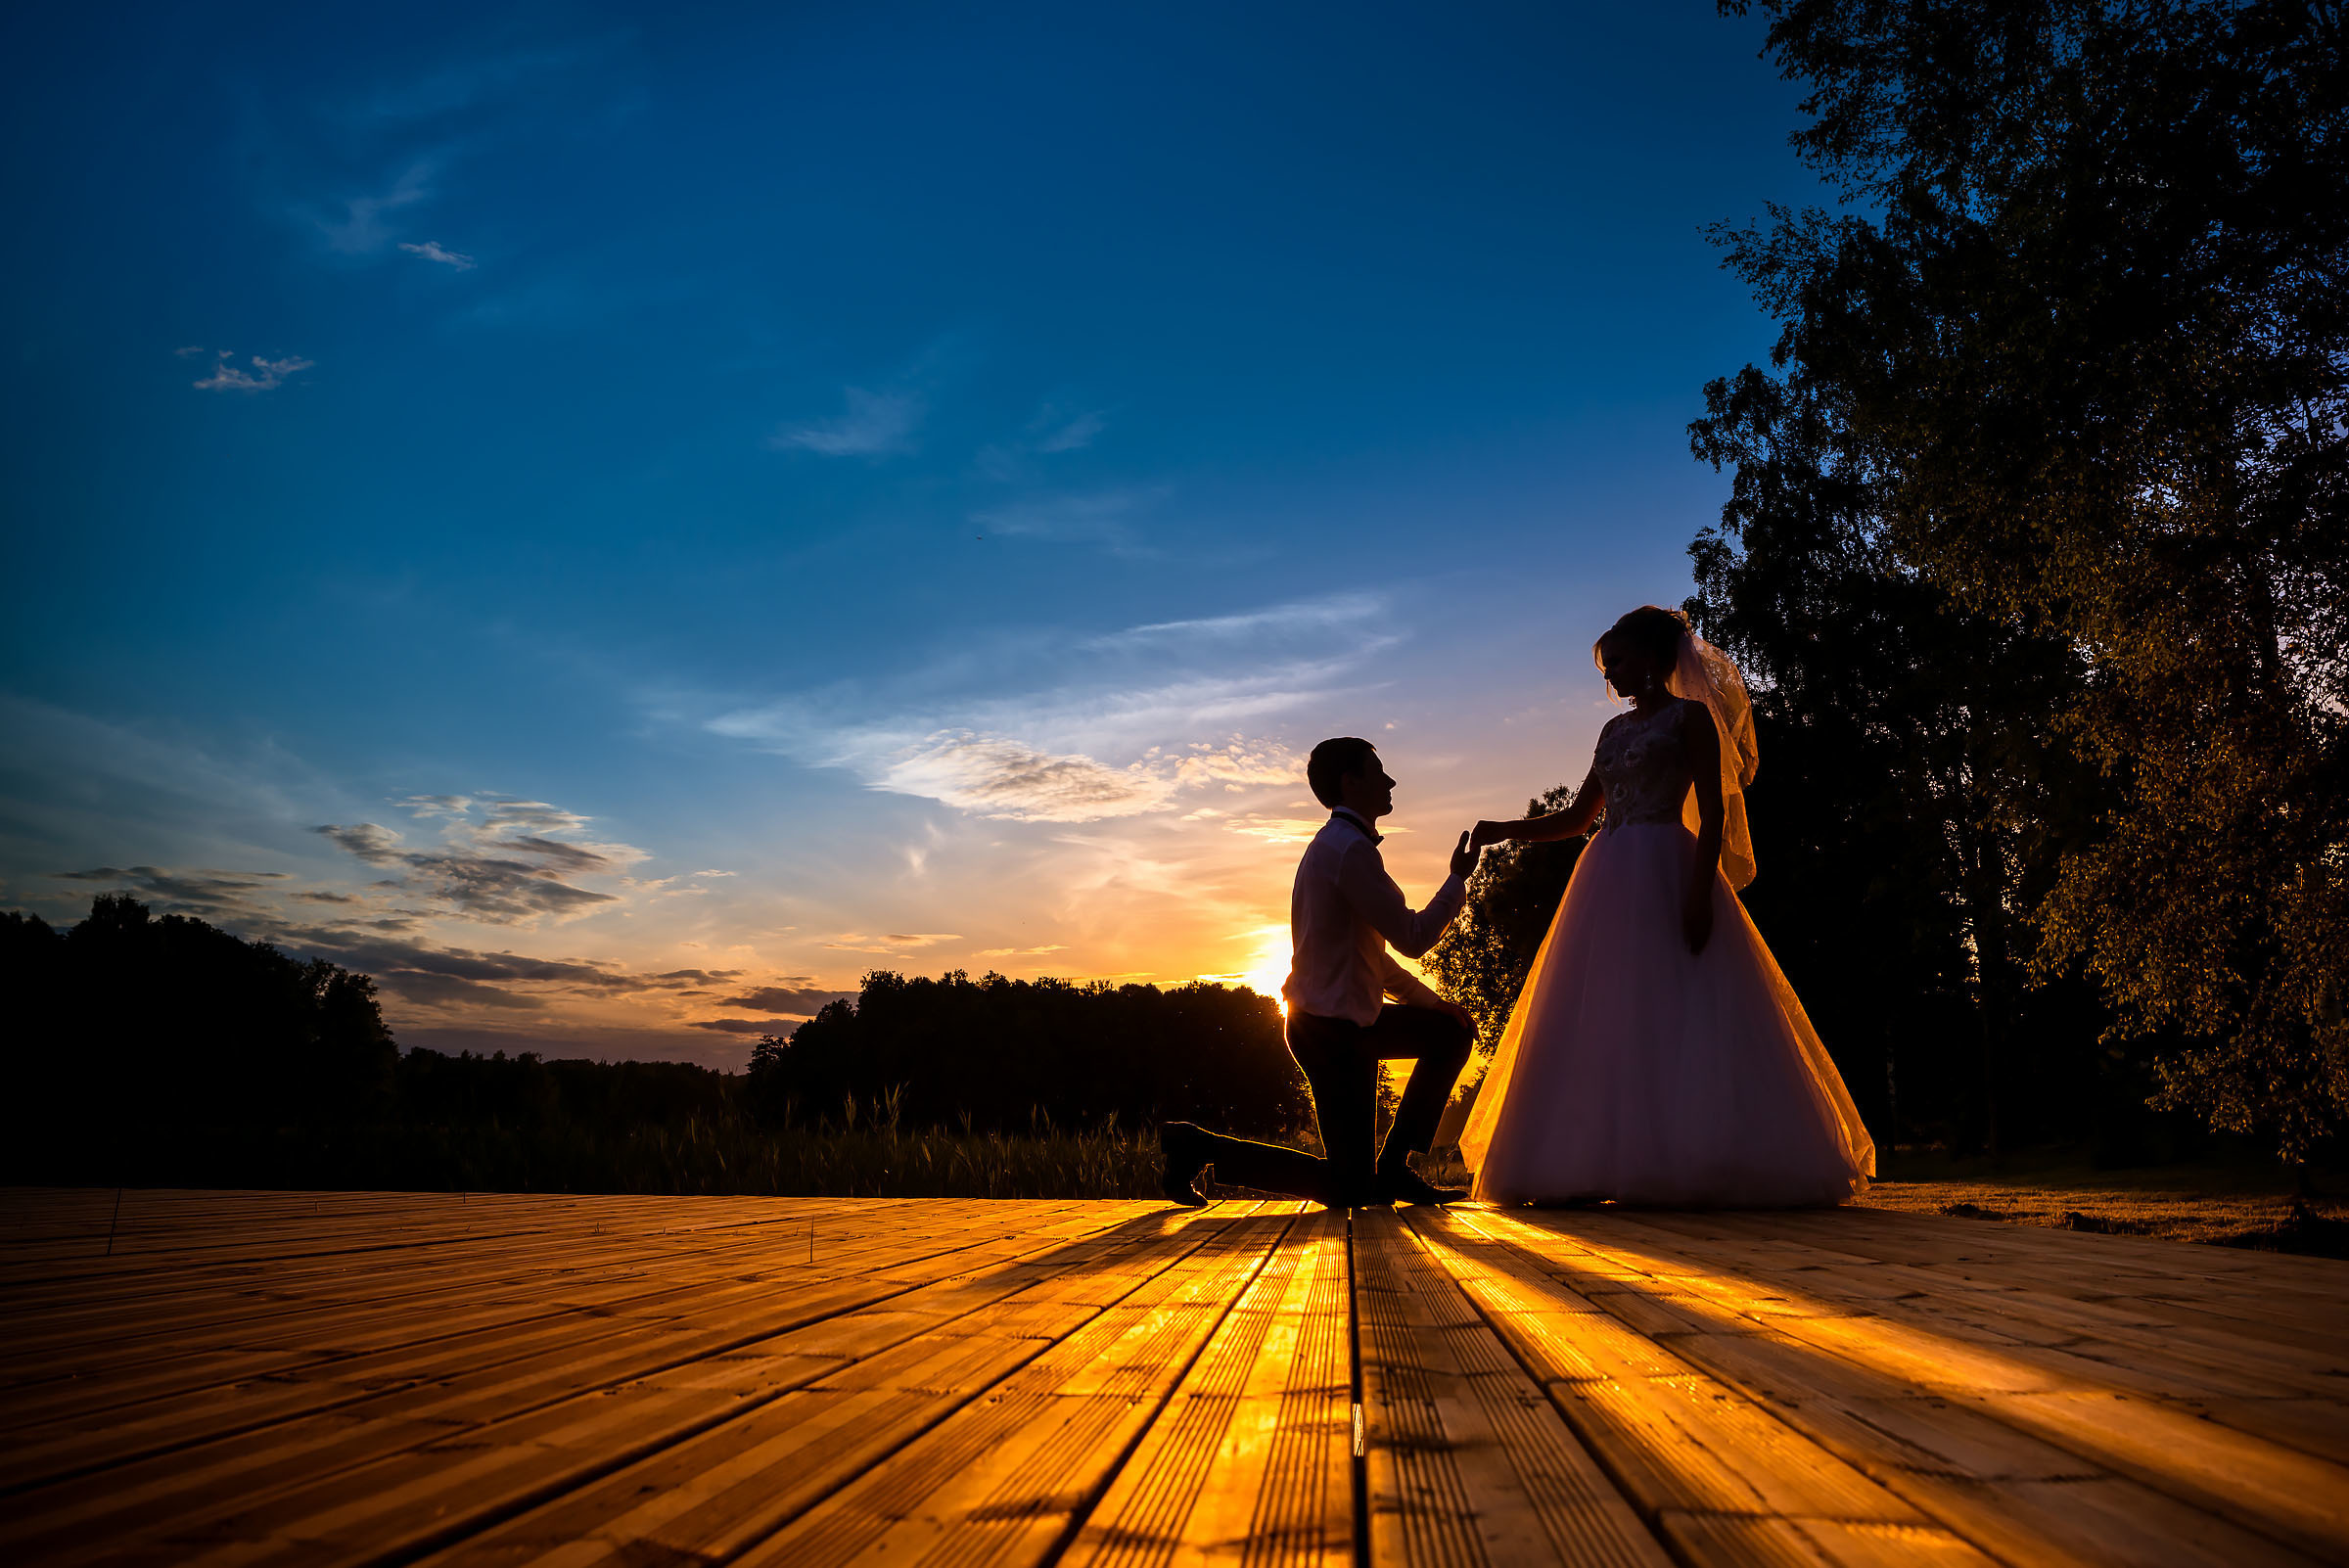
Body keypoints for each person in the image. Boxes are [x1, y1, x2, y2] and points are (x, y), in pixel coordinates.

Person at [1458, 606, 1874, 1206]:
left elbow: (1714, 814)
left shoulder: (1691, 719)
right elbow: (1580, 818)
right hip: (1605, 875)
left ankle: (1694, 1155)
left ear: (1654, 658)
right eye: (1608, 666)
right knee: (1601, 1012)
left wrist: (1700, 892)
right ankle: (1586, 1161)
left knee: (1681, 1007)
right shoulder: (1613, 733)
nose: (1613, 676)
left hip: (1667, 867)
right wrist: (1505, 829)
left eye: (1619, 661)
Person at [1161, 738, 1481, 1207]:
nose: (1390, 782)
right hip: (1329, 1035)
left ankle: (1394, 1169)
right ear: (1351, 783)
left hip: (1349, 1026)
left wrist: (1435, 1006)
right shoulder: (1349, 852)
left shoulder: (1336, 848)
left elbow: (1370, 958)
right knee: (1350, 1190)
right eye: (1378, 772)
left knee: (1449, 1033)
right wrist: (1457, 879)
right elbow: (1413, 938)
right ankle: (1196, 1148)